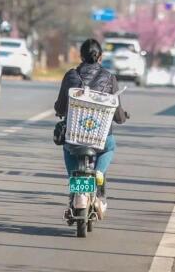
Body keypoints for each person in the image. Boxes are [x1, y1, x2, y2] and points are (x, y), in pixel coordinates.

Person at [54, 38, 128, 216]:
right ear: (100, 57)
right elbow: (118, 114)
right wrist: (122, 118)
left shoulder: (71, 75)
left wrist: (60, 111)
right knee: (110, 147)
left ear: (80, 56)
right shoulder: (110, 78)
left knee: (67, 147)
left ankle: (74, 177)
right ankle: (99, 173)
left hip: (75, 135)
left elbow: (60, 106)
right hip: (100, 137)